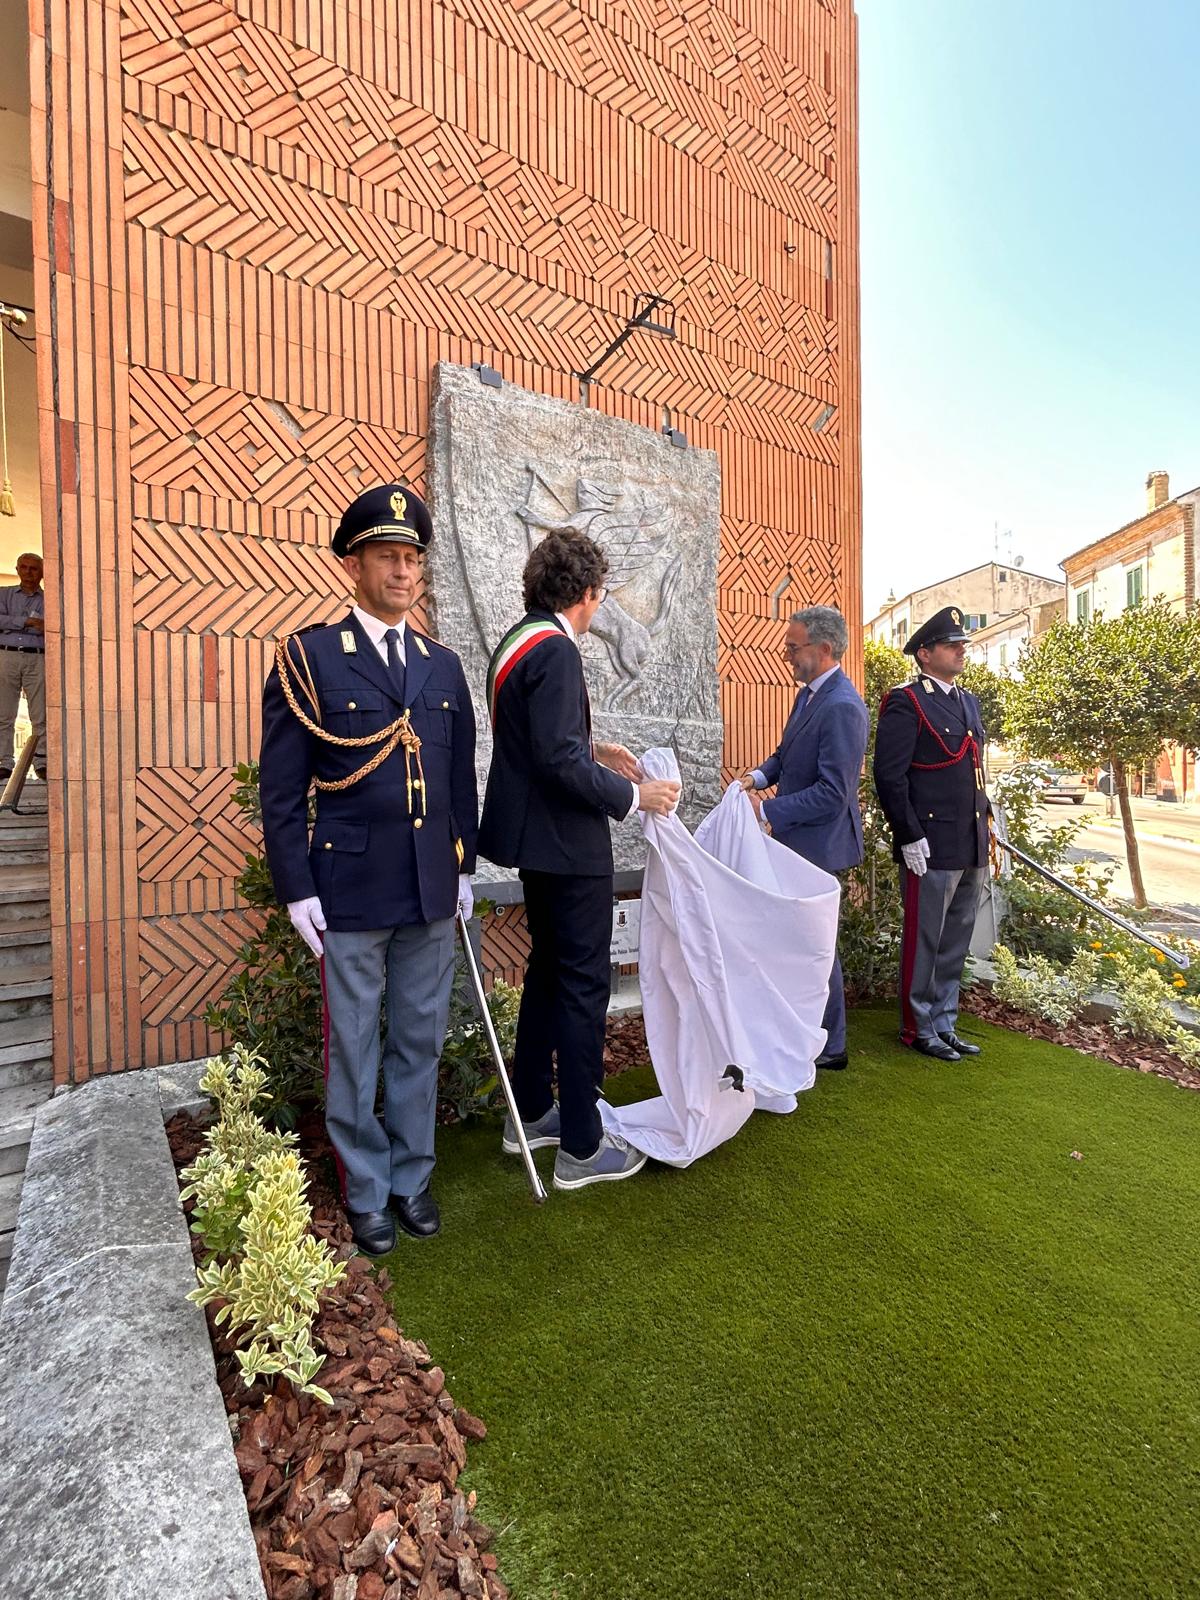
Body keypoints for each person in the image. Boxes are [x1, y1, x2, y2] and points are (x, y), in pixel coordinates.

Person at [258, 485, 477, 1255]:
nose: (402, 570)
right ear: (355, 561)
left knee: (418, 1039)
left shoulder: (442, 667)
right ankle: (366, 1188)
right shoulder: (310, 658)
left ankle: (412, 1177)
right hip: (347, 886)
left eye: (412, 557)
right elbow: (281, 789)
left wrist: (464, 868)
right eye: (387, 555)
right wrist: (296, 889)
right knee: (354, 1044)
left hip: (428, 884)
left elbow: (459, 783)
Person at [479, 530, 680, 1191]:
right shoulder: (560, 652)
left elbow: (547, 747)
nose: (598, 610)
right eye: (600, 597)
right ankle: (583, 1149)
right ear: (589, 593)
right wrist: (636, 793)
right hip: (570, 848)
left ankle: (531, 1112)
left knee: (546, 973)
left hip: (537, 847)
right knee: (585, 984)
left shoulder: (516, 643)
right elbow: (559, 761)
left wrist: (599, 750)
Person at [740, 605, 869, 1070]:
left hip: (819, 847)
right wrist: (756, 778)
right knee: (801, 944)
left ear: (824, 649)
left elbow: (833, 794)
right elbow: (786, 755)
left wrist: (768, 810)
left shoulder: (843, 707)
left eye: (793, 648)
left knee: (818, 949)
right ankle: (803, 1030)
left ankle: (831, 1046)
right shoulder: (809, 697)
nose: (786, 654)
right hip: (796, 845)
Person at [872, 605, 988, 1062]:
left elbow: (974, 771)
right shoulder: (907, 700)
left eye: (963, 645)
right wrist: (908, 835)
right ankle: (916, 1026)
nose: (961, 651)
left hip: (970, 839)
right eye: (951, 645)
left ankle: (944, 1021)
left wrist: (988, 826)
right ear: (925, 653)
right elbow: (890, 775)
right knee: (926, 938)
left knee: (956, 938)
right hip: (930, 843)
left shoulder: (968, 701)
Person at [0, 552, 47, 781]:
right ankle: (4, 762)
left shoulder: (49, 600)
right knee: (4, 711)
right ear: (17, 569)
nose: (29, 573)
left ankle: (42, 761)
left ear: (42, 572)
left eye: (34, 569)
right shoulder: (4, 594)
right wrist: (26, 622)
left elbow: (50, 627)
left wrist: (11, 623)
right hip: (7, 656)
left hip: (36, 656)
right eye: (24, 568)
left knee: (40, 712)